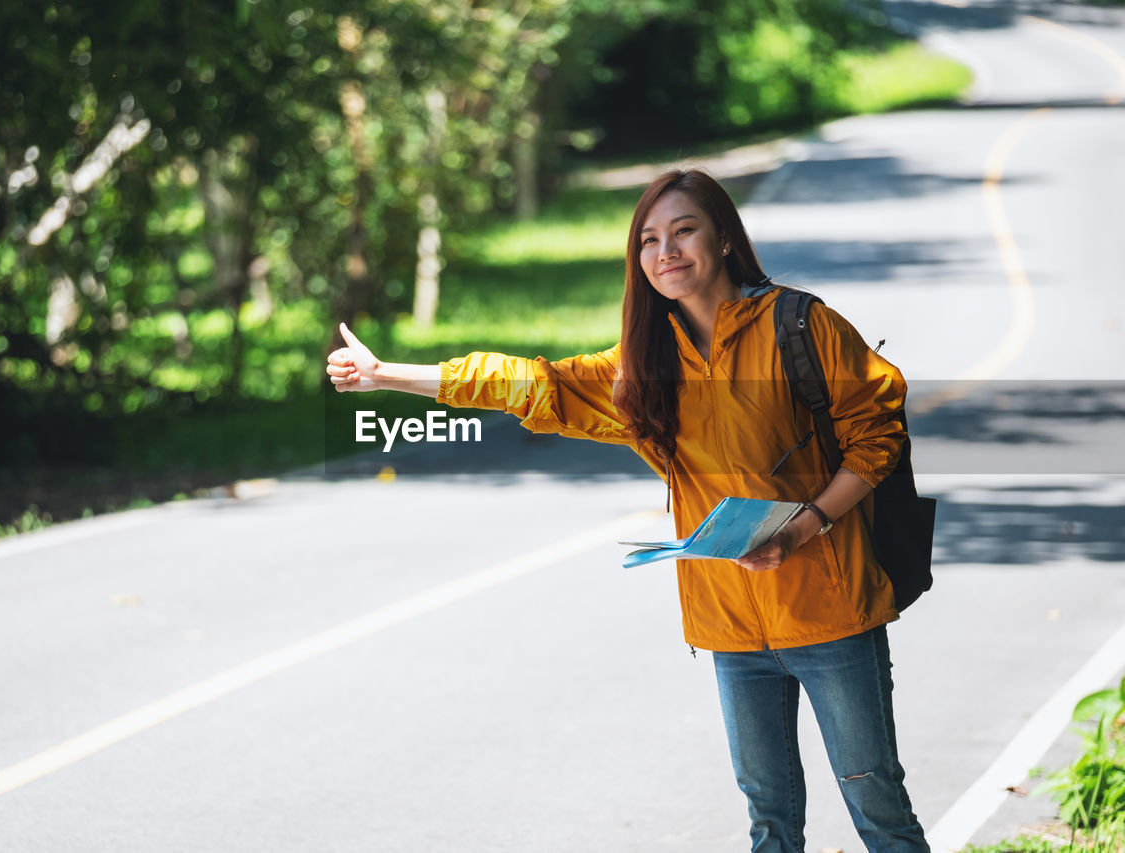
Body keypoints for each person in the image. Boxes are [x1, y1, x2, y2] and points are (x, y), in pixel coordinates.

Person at [327, 169, 930, 853]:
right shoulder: (645, 365)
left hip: (831, 611)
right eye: (648, 239)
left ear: (725, 238)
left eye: (683, 231)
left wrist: (805, 525)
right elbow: (532, 383)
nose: (665, 251)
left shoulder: (799, 325)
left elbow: (876, 434)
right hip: (731, 624)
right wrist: (389, 374)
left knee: (875, 801)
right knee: (768, 815)